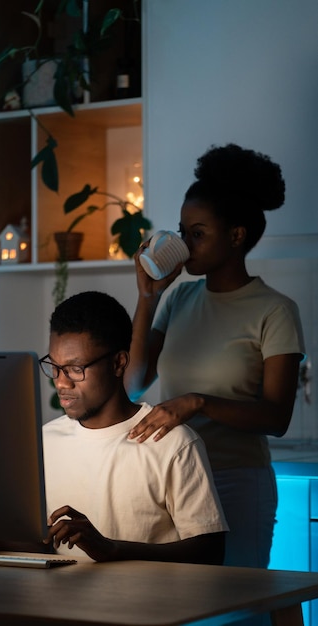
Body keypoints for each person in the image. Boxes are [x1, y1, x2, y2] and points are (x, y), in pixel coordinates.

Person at [124, 143, 305, 571]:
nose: (184, 244)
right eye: (182, 231)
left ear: (236, 236)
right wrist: (147, 298)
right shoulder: (179, 297)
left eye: (197, 234)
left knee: (237, 607)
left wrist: (197, 402)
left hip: (238, 481)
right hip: (175, 477)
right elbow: (133, 383)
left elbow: (276, 418)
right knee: (183, 605)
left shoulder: (274, 310)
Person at [39, 290, 228, 563]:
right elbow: (46, 544)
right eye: (55, 367)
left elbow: (211, 553)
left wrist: (112, 550)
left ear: (118, 363)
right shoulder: (44, 442)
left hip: (148, 605)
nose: (61, 383)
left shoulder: (172, 443)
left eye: (75, 369)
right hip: (60, 604)